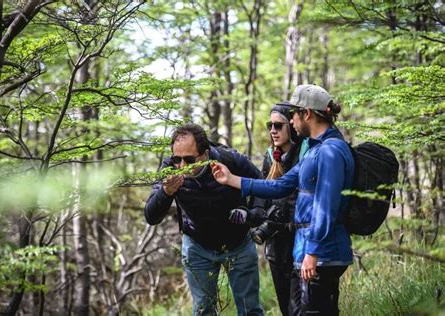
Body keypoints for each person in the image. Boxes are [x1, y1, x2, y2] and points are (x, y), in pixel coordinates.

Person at [212, 84, 355, 315]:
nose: (291, 121)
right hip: (308, 253)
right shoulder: (315, 152)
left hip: (321, 255)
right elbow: (281, 185)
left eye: (292, 115)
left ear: (306, 114)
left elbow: (326, 206)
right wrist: (232, 179)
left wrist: (313, 252)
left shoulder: (330, 151)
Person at [144, 123, 264, 316]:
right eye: (177, 159)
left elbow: (261, 183)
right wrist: (166, 193)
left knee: (250, 308)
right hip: (197, 245)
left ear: (205, 154)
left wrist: (254, 211)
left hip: (238, 243)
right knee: (203, 310)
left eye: (189, 160)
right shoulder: (169, 170)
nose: (182, 166)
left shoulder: (230, 159)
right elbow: (151, 216)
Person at [229, 102, 306, 315]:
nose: (273, 130)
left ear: (291, 126)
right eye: (269, 125)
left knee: (299, 307)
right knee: (285, 306)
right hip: (275, 245)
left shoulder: (305, 154)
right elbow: (263, 193)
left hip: (298, 240)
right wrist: (253, 214)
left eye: (278, 125)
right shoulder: (270, 156)